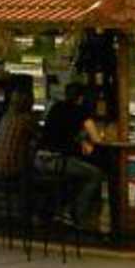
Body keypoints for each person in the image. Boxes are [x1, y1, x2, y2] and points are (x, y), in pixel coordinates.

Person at [36, 80, 106, 228]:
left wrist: (81, 140)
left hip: (40, 160)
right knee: (95, 175)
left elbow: (60, 133)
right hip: (57, 161)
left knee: (76, 173)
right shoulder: (81, 111)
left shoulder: (56, 107)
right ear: (81, 98)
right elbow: (97, 139)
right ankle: (79, 217)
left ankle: (63, 210)